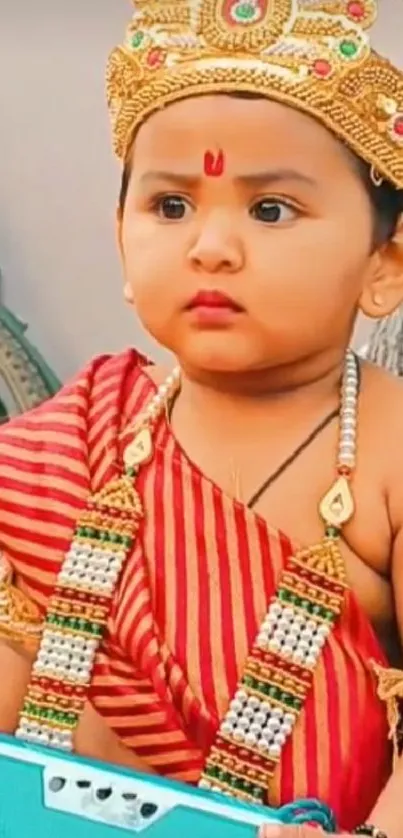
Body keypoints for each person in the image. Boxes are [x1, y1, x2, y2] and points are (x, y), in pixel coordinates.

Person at [1, 0, 403, 835]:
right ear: (120, 238)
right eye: (170, 207)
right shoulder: (73, 445)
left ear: (383, 264)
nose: (209, 246)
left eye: (270, 210)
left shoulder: (387, 456)